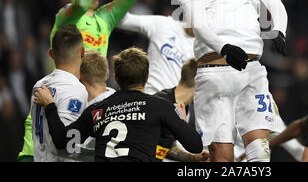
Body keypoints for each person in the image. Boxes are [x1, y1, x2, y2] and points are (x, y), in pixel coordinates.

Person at [177, 0, 288, 162]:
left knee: (260, 152)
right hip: (214, 73)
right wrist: (224, 47)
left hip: (252, 71)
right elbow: (197, 22)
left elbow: (275, 3)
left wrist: (280, 30)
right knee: (222, 158)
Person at [17, 0, 141, 162]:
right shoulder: (67, 16)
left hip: (93, 98)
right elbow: (82, 3)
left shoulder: (105, 17)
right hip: (64, 95)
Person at [33, 47, 203, 162]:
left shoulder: (96, 110)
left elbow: (62, 141)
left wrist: (50, 106)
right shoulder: (161, 106)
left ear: (115, 78)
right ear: (147, 77)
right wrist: (181, 121)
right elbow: (195, 146)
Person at [30, 24, 88, 162]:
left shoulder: (39, 85)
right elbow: (66, 146)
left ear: (51, 54)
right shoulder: (75, 89)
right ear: (82, 52)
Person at [117, 12, 194, 94]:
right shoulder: (164, 24)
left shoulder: (205, 48)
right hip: (148, 95)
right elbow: (122, 20)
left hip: (175, 102)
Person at [154, 58, 209, 162]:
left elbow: (166, 146)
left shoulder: (183, 106)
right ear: (199, 85)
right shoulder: (159, 103)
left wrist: (193, 158)